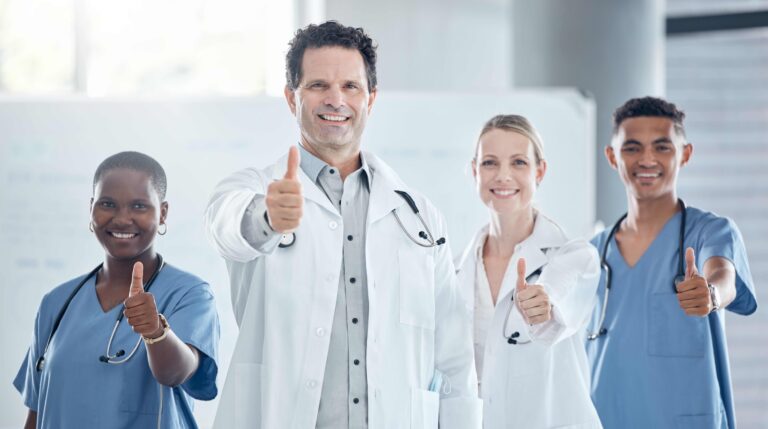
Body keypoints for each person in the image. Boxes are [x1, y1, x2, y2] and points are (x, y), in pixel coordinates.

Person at [206, 21, 480, 429]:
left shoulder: (418, 216)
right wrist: (268, 217)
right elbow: (227, 225)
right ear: (290, 98)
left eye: (351, 86)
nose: (336, 99)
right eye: (318, 85)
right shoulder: (257, 189)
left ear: (371, 98)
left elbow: (455, 360)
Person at [14, 151, 220, 429]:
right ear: (91, 209)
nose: (122, 219)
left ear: (163, 213)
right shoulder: (56, 303)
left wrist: (156, 333)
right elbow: (37, 414)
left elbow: (178, 373)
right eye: (108, 204)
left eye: (139, 206)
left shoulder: (189, 294)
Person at [586, 97, 758, 429]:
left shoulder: (710, 231)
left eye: (662, 147)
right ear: (612, 156)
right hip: (605, 418)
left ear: (685, 154)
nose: (647, 159)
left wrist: (710, 294)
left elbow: (723, 275)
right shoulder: (594, 252)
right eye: (632, 148)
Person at [454, 114, 602, 428]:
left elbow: (557, 291)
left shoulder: (575, 257)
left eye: (519, 162)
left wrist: (544, 303)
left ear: (540, 171)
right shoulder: (456, 270)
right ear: (474, 172)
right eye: (490, 163)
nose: (503, 176)